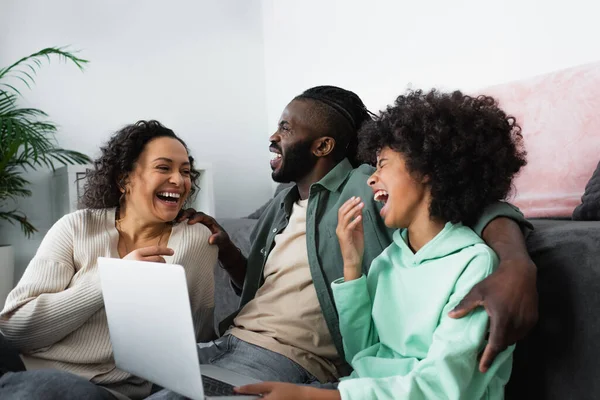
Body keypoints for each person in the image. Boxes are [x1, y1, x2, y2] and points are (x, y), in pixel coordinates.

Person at [149, 86, 537, 399]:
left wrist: (516, 262)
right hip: (242, 344)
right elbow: (362, 349)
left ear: (323, 146)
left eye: (285, 127)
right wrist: (230, 252)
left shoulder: (361, 185)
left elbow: (477, 202)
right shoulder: (281, 208)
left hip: (296, 362)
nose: (273, 136)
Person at [0, 120, 218, 400]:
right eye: (164, 168)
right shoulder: (76, 227)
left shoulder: (197, 241)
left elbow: (197, 338)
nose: (179, 180)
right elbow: (16, 331)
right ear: (124, 179)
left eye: (186, 171)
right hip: (20, 367)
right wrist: (111, 279)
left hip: (99, 389)